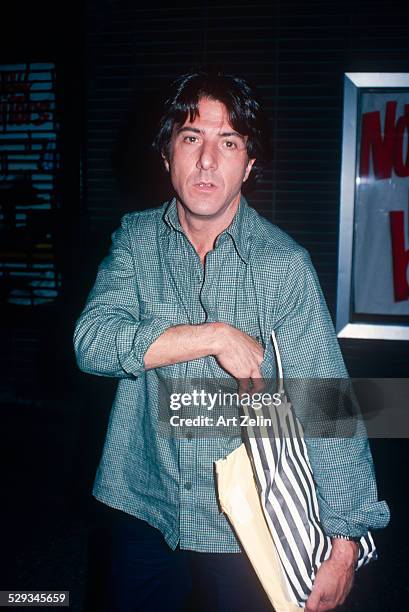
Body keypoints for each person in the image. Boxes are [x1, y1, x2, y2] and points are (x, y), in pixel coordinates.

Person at [74, 69, 389, 612]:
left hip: (245, 522)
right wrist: (213, 337)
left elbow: (328, 406)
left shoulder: (282, 267)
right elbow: (93, 343)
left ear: (249, 164)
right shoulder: (135, 240)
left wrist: (344, 544)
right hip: (142, 500)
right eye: (191, 138)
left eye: (229, 142)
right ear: (167, 155)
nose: (206, 160)